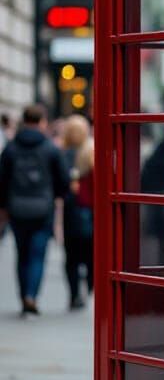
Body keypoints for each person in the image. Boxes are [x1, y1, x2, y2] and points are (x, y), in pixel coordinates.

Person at [0, 105, 71, 316]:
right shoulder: (50, 148)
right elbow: (63, 179)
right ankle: (32, 294)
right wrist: (57, 196)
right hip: (43, 208)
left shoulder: (11, 148)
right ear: (42, 121)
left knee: (22, 254)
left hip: (17, 208)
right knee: (38, 254)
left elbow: (1, 180)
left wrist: (3, 206)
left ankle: (24, 295)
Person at [61, 115, 95, 310]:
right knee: (91, 253)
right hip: (90, 209)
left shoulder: (62, 153)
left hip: (71, 211)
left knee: (71, 257)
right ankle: (91, 287)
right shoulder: (92, 151)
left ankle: (74, 294)